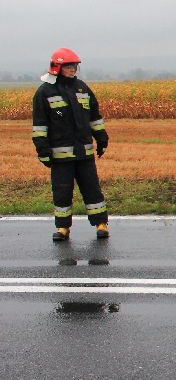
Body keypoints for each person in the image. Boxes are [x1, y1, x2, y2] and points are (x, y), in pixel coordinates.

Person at [32, 47, 110, 241]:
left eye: (74, 66)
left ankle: (101, 224)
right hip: (60, 157)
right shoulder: (44, 92)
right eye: (68, 66)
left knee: (92, 190)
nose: (72, 69)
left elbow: (94, 117)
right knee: (62, 193)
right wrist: (43, 151)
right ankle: (63, 228)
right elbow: (40, 126)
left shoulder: (82, 88)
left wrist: (101, 137)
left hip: (84, 152)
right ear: (57, 67)